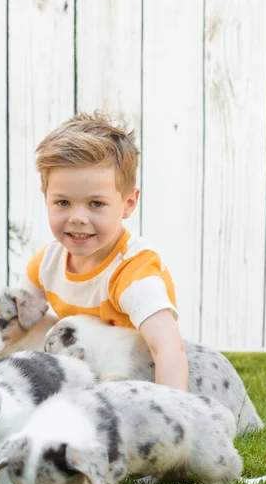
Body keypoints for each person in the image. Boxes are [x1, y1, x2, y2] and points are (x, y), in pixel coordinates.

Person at [22, 112, 188, 390]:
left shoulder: (135, 273)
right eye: (62, 202)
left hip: (134, 379)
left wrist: (173, 414)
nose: (78, 217)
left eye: (96, 204)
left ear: (128, 203)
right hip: (87, 374)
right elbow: (21, 329)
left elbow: (167, 350)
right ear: (45, 198)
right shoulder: (46, 264)